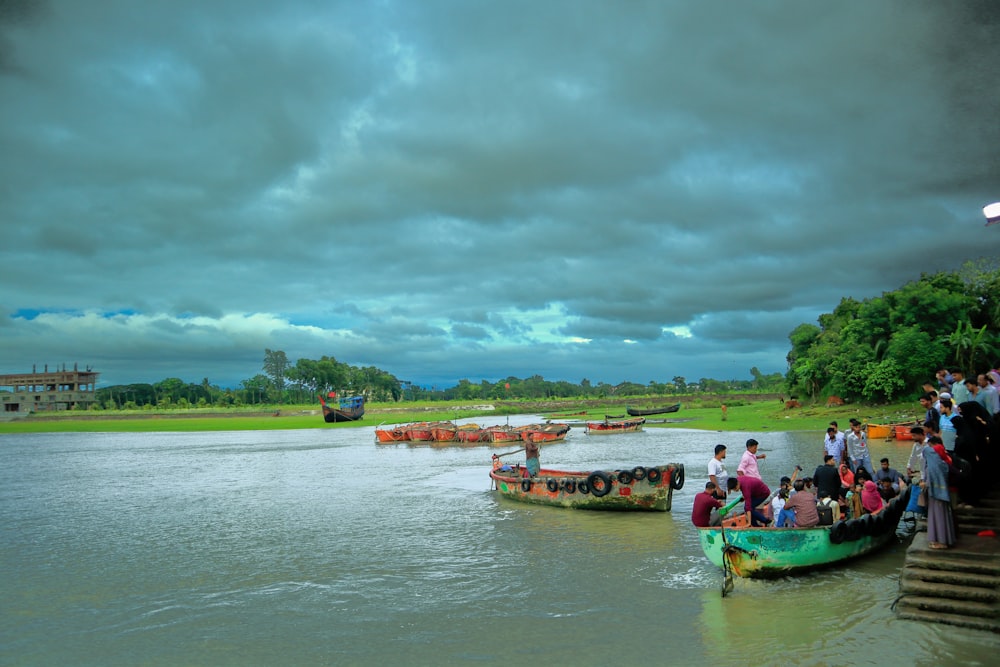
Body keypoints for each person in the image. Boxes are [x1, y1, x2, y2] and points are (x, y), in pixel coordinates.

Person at [921, 435, 957, 549]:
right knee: (941, 517)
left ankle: (942, 541)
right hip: (940, 494)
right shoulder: (942, 463)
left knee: (939, 518)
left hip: (936, 495)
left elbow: (931, 480)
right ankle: (941, 539)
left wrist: (924, 484)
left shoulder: (934, 466)